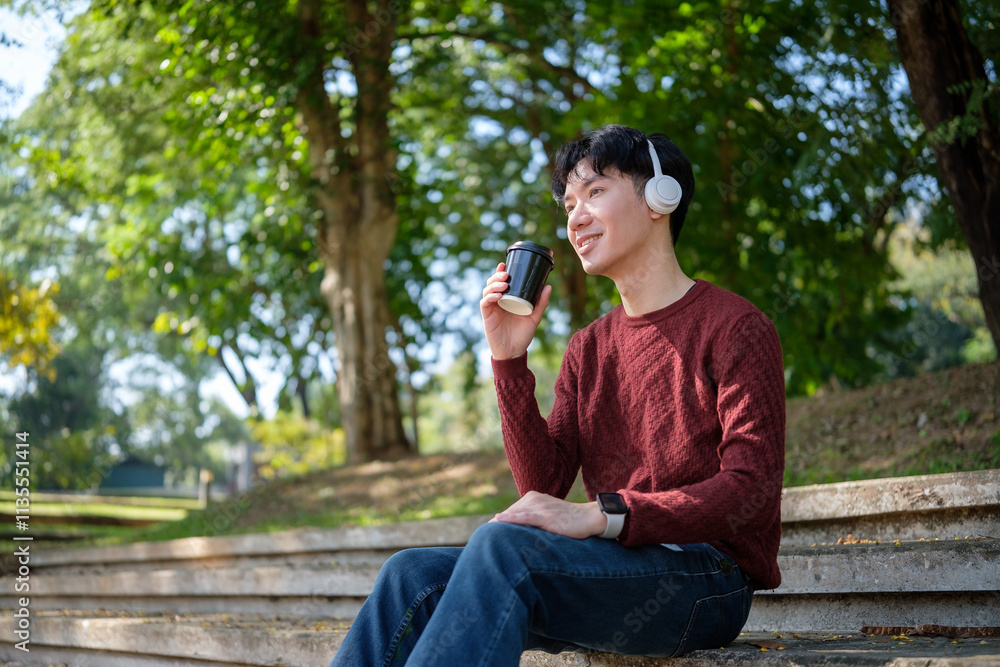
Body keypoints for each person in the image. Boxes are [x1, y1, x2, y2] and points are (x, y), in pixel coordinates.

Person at [329, 124, 785, 666]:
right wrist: (507, 361)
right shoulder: (588, 348)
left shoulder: (736, 327)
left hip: (708, 579)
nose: (576, 217)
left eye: (595, 192)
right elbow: (542, 486)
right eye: (569, 203)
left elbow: (750, 490)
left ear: (661, 197)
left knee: (503, 551)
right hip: (613, 565)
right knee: (412, 575)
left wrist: (603, 514)